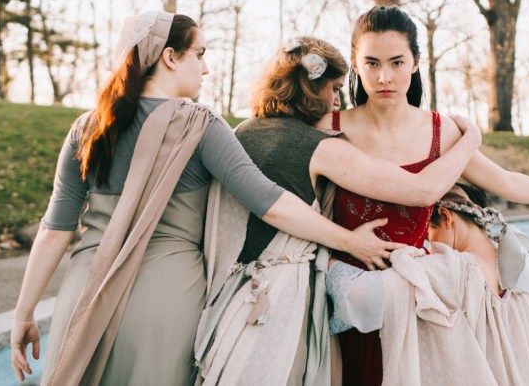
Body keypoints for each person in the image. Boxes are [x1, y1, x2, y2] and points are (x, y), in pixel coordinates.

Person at [9, 13, 399, 385]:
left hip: (83, 294)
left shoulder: (88, 127)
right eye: (200, 54)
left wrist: (24, 312)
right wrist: (349, 240)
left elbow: (54, 230)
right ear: (170, 57)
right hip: (165, 299)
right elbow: (271, 202)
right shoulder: (201, 126)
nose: (206, 68)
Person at [316, 5, 529, 384]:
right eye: (372, 63)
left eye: (397, 63)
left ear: (416, 62)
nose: (385, 77)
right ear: (354, 63)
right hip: (339, 292)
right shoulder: (326, 128)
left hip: (417, 300)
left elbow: (506, 181)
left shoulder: (440, 131)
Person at [193, 37, 483, 385]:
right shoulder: (318, 146)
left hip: (230, 291)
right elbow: (422, 191)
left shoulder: (243, 132)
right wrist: (471, 140)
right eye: (332, 89)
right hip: (283, 295)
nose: (335, 100)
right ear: (308, 89)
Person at [326, 178, 529, 385]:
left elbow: (352, 297)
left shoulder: (442, 272)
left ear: (446, 217)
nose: (427, 246)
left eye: (428, 235)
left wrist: (334, 248)